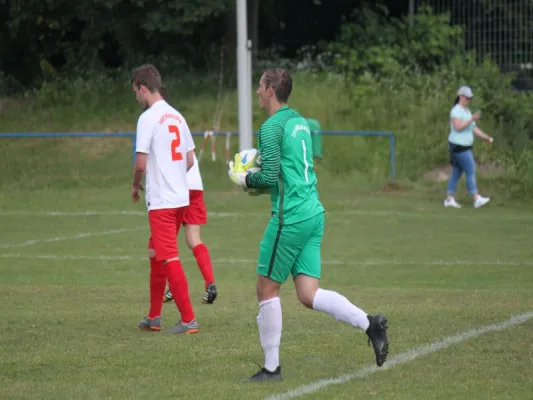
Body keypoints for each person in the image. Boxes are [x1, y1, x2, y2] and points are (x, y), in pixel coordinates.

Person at [228, 68, 389, 381]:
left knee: (266, 289)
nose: (257, 92)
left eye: (260, 87)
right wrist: (258, 183)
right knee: (307, 293)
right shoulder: (299, 121)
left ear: (271, 90)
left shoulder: (271, 127)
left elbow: (270, 175)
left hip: (291, 217)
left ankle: (272, 368)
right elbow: (287, 172)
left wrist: (245, 178)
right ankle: (370, 324)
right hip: (313, 212)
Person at [131, 63, 199, 335]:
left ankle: (188, 319)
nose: (136, 97)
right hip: (180, 198)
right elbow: (191, 159)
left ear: (144, 89)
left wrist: (135, 186)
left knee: (169, 258)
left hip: (162, 203)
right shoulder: (177, 116)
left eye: (136, 92)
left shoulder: (147, 118)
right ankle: (154, 316)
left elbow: (140, 164)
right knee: (155, 253)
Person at [163, 153, 218, 305]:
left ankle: (173, 286)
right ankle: (210, 283)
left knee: (165, 241)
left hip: (176, 187)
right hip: (195, 186)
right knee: (194, 239)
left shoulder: (160, 130)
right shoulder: (183, 130)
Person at [444, 85, 493, 209]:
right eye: (467, 98)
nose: (468, 100)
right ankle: (476, 198)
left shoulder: (466, 111)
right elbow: (458, 127)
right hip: (458, 146)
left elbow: (473, 128)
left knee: (457, 171)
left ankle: (449, 198)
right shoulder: (456, 111)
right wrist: (471, 118)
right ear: (460, 96)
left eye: (470, 98)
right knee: (470, 170)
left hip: (464, 146)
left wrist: (486, 137)